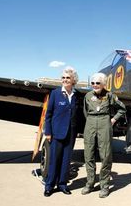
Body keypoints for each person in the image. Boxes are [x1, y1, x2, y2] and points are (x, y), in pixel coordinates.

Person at [81, 72, 126, 198]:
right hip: (90, 122)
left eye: (98, 83)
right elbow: (85, 112)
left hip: (104, 123)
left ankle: (104, 185)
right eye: (93, 83)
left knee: (105, 155)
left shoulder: (110, 95)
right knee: (88, 154)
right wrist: (91, 121)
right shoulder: (88, 96)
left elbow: (122, 109)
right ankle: (90, 183)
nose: (95, 85)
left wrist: (113, 119)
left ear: (103, 84)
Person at [43, 66, 84, 197]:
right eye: (63, 78)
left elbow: (78, 115)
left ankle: (62, 184)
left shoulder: (77, 95)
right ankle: (49, 185)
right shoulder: (55, 93)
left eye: (68, 78)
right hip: (56, 133)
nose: (65, 80)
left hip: (70, 134)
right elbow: (48, 115)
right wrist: (48, 132)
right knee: (54, 160)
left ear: (73, 80)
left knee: (66, 160)